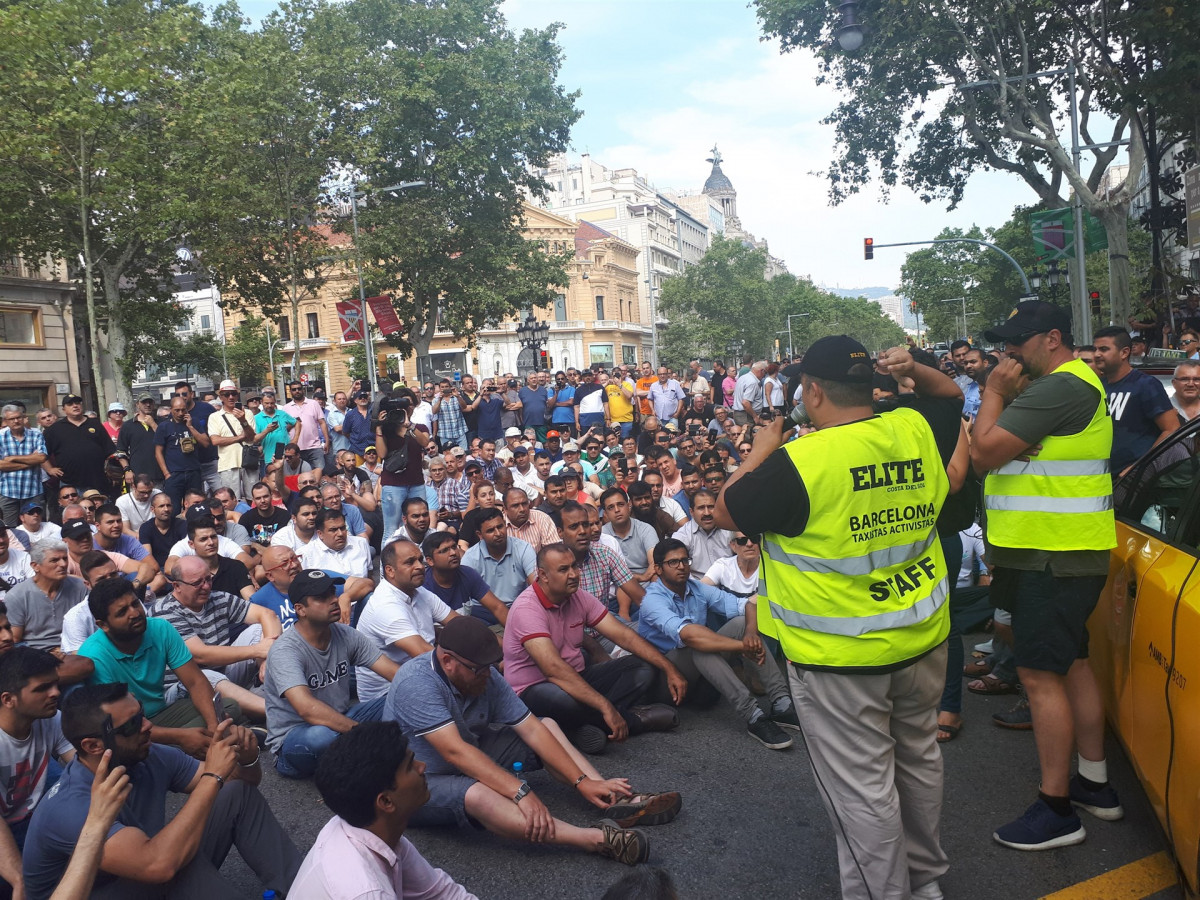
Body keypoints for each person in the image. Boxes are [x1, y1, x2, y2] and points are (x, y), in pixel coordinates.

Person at [715, 336, 962, 897]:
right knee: (919, 762)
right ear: (869, 386)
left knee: (862, 790)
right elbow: (946, 392)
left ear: (813, 391)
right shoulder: (913, 428)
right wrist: (914, 368)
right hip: (922, 639)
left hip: (839, 661)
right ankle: (925, 884)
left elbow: (727, 508)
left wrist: (761, 447)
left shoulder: (798, 463)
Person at [971, 301, 1122, 851]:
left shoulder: (1060, 387)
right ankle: (1095, 784)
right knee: (1072, 662)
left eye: (1019, 342)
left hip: (1050, 558)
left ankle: (1057, 809)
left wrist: (992, 395)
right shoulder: (1062, 386)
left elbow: (984, 450)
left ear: (1052, 338)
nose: (1009, 353)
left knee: (1039, 675)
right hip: (1057, 554)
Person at [384, 616, 673, 866]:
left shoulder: (483, 673)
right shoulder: (417, 683)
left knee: (548, 725)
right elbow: (455, 752)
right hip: (416, 782)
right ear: (447, 661)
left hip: (473, 749)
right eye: (480, 670)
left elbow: (532, 729)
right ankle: (595, 839)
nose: (490, 676)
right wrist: (519, 791)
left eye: (492, 667)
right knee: (476, 793)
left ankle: (610, 798)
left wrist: (582, 780)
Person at [21, 682, 300, 899]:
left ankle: (303, 891)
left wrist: (247, 759)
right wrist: (213, 774)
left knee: (235, 794)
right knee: (173, 866)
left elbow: (240, 783)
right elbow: (157, 865)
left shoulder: (147, 754)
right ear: (92, 746)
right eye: (131, 725)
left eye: (141, 713)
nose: (148, 726)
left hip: (143, 871)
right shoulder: (70, 805)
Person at [504, 543, 686, 755]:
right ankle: (634, 720)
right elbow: (553, 669)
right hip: (535, 688)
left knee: (643, 667)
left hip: (577, 677)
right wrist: (604, 706)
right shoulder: (527, 608)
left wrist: (669, 667)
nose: (573, 574)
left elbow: (624, 635)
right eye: (563, 570)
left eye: (574, 566)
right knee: (563, 699)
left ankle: (575, 728)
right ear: (543, 575)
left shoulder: (577, 596)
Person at [637, 539, 797, 751]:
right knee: (698, 644)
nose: (682, 566)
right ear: (658, 568)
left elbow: (748, 605)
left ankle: (781, 703)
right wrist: (742, 647)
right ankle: (753, 715)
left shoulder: (696, 587)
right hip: (665, 679)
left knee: (740, 624)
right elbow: (690, 636)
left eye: (685, 560)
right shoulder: (652, 600)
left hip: (697, 671)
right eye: (673, 562)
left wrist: (749, 634)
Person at [293, 721, 478, 899]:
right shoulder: (366, 891)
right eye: (410, 765)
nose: (422, 767)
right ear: (386, 801)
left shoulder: (371, 831)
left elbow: (439, 893)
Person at [78, 577, 238, 757]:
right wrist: (180, 737)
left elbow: (195, 682)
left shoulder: (160, 628)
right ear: (103, 625)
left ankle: (200, 746)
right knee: (133, 747)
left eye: (135, 604)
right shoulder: (94, 656)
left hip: (163, 712)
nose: (135, 613)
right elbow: (120, 725)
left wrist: (214, 727)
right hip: (129, 728)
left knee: (228, 708)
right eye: (122, 612)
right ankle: (192, 749)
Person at [263, 570, 400, 778]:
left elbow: (394, 673)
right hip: (295, 739)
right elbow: (307, 709)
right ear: (300, 609)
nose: (334, 600)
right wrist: (361, 732)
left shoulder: (346, 634)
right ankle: (363, 756)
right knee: (322, 737)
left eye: (332, 593)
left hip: (341, 719)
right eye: (322, 598)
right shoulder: (286, 650)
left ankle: (356, 755)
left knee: (401, 696)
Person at [155, 556, 282, 722]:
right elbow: (200, 655)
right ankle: (276, 712)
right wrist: (258, 650)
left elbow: (267, 615)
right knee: (205, 676)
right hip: (184, 685)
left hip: (223, 670)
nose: (206, 587)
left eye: (208, 579)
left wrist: (266, 657)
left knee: (259, 631)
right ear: (176, 585)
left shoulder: (217, 597)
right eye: (197, 583)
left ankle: (281, 691)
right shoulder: (165, 611)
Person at [0, 647, 75, 897]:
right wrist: (19, 878)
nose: (55, 693)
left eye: (55, 684)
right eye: (42, 688)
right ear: (8, 699)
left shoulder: (51, 719)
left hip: (29, 820)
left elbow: (82, 769)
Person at [356, 540, 462, 702]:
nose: (420, 566)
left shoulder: (419, 591)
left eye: (420, 559)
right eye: (410, 562)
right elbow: (425, 655)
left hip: (419, 676)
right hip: (387, 695)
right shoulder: (385, 605)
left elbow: (461, 626)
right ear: (390, 571)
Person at [4, 543, 89, 655]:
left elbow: (91, 624)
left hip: (76, 647)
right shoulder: (17, 596)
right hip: (35, 654)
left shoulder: (80, 587)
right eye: (54, 560)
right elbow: (15, 639)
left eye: (65, 558)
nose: (63, 564)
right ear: (35, 566)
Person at [420, 533, 508, 627]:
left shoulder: (467, 574)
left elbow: (497, 607)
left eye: (454, 547)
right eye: (445, 550)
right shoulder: (422, 586)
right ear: (430, 561)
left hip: (466, 631)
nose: (453, 553)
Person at [42, 396, 115, 497]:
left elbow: (109, 450)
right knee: (73, 512)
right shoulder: (55, 429)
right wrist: (50, 469)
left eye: (77, 403)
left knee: (98, 512)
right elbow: (41, 454)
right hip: (70, 483)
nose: (75, 406)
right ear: (64, 409)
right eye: (70, 404)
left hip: (97, 481)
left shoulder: (95, 424)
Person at [207, 380, 260, 503]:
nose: (230, 397)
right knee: (230, 500)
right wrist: (241, 437)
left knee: (254, 498)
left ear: (237, 395)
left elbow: (252, 437)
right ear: (221, 397)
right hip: (228, 463)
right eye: (226, 394)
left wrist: (243, 421)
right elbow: (215, 441)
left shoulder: (247, 413)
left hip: (249, 461)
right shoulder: (215, 417)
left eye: (233, 394)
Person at [154, 397, 208, 515]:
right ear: (171, 410)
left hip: (193, 471)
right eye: (177, 410)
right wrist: (166, 474)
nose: (180, 413)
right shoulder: (164, 426)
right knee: (173, 508)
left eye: (183, 410)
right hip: (174, 473)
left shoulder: (194, 422)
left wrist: (190, 426)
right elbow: (158, 451)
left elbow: (205, 442)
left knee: (197, 507)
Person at [0, 405, 47, 529]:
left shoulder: (35, 434)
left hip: (33, 490)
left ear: (24, 417)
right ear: (5, 421)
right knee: (9, 529)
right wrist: (31, 460)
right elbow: (0, 465)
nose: (16, 421)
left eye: (18, 417)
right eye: (11, 419)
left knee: (36, 527)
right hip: (8, 491)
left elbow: (41, 458)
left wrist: (12, 458)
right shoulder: (0, 437)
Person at [600, 488, 657, 583]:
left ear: (629, 505)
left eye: (620, 504)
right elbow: (605, 573)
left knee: (657, 577)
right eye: (611, 507)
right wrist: (640, 577)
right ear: (605, 513)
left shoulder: (645, 529)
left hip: (648, 582)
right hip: (619, 586)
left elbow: (654, 563)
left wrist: (645, 578)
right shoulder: (602, 534)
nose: (617, 510)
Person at [301, 507, 372, 581]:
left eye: (342, 528)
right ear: (320, 534)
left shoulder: (361, 543)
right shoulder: (306, 554)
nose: (340, 534)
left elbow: (369, 575)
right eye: (333, 530)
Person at [674, 490, 732, 573]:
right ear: (692, 512)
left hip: (729, 582)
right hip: (697, 583)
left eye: (711, 507)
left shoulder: (729, 530)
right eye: (701, 508)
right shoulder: (683, 535)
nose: (707, 513)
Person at [283, 382, 331, 482]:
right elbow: (285, 429)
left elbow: (322, 422)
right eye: (294, 389)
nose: (297, 391)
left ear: (303, 389)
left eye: (299, 388)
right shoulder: (286, 408)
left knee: (318, 474)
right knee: (300, 478)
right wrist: (294, 423)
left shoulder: (313, 404)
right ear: (290, 391)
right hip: (296, 449)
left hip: (314, 446)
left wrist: (327, 441)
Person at [116, 396, 160, 486]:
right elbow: (121, 451)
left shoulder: (162, 423)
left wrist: (153, 424)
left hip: (159, 476)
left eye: (150, 402)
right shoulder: (128, 426)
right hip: (137, 477)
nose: (148, 405)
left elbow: (166, 441)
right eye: (144, 402)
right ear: (137, 404)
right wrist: (127, 470)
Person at [138, 493, 186, 570]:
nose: (166, 509)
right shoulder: (146, 527)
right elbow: (147, 558)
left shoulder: (182, 525)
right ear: (152, 509)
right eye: (161, 506)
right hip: (156, 569)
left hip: (179, 568)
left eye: (168, 505)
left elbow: (187, 551)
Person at [731, 361, 766, 427]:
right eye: (765, 372)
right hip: (746, 416)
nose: (764, 375)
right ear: (762, 371)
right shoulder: (752, 382)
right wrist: (755, 416)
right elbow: (745, 402)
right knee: (747, 435)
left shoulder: (742, 378)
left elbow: (734, 395)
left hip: (740, 413)